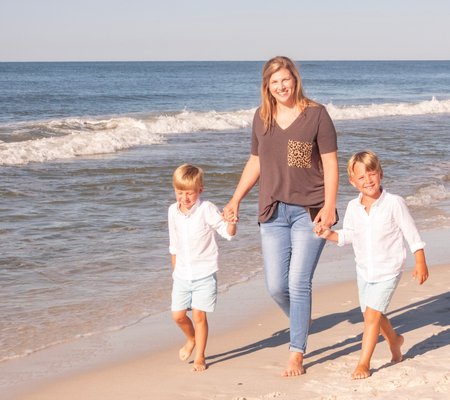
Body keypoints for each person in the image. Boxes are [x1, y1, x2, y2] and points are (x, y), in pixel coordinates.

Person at [223, 56, 339, 377]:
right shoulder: (262, 117)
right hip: (272, 210)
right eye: (274, 82)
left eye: (285, 79)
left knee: (298, 283)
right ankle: (302, 319)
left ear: (295, 79)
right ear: (267, 86)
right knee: (276, 287)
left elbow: (330, 164)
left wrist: (329, 206)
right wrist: (235, 199)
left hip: (309, 211)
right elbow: (256, 162)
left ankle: (296, 352)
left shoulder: (316, 115)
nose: (281, 86)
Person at [314, 150, 429, 379]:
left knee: (371, 317)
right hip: (364, 270)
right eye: (362, 177)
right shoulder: (353, 207)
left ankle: (363, 363)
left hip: (389, 269)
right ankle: (395, 341)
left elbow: (411, 233)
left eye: (372, 174)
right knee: (372, 313)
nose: (368, 180)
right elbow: (348, 235)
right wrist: (328, 234)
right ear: (353, 182)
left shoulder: (394, 203)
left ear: (381, 174)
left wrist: (420, 260)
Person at [168, 163, 236, 372]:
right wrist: (174, 272)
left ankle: (200, 356)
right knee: (178, 315)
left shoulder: (206, 209)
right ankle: (191, 339)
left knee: (199, 316)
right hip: (181, 274)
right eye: (180, 192)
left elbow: (228, 233)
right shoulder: (173, 211)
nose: (185, 198)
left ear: (200, 190)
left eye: (189, 193)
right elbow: (174, 244)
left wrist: (232, 221)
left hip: (204, 273)